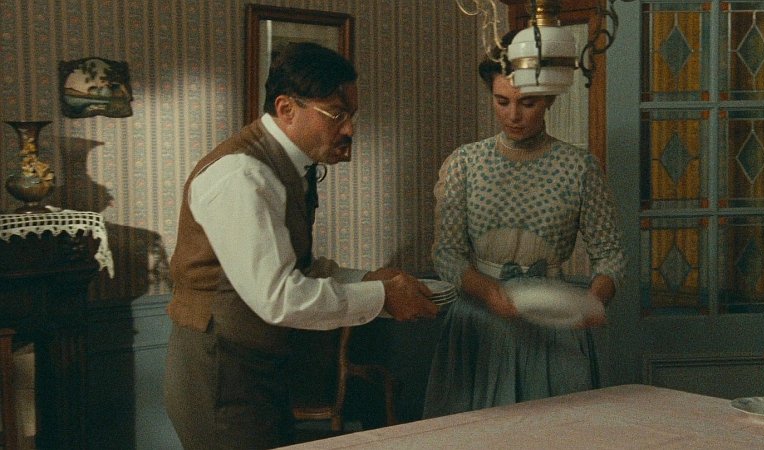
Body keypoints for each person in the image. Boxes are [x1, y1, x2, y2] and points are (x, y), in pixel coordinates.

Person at [164, 42, 438, 450]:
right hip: (221, 374)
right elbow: (280, 297)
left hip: (258, 368)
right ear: (286, 109)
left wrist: (369, 278)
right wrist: (382, 296)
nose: (349, 129)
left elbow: (295, 267)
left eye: (352, 115)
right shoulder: (242, 176)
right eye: (337, 114)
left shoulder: (293, 166)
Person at [422, 31, 626, 418]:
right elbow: (447, 254)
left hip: (553, 325)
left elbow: (611, 255)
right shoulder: (465, 164)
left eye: (527, 103)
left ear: (548, 99)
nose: (513, 115)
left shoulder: (579, 167)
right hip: (480, 326)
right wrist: (489, 293)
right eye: (502, 101)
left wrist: (594, 300)